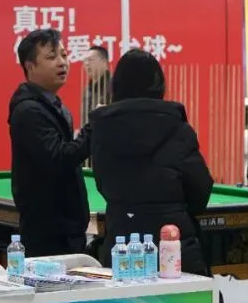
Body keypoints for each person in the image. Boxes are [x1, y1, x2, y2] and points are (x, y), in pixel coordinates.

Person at [90, 48, 212, 262]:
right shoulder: (179, 129)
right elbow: (200, 188)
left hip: (122, 247)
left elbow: (103, 184)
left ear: (116, 86)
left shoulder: (102, 130)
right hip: (173, 248)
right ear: (160, 85)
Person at [9, 29, 90, 257]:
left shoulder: (53, 105)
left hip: (65, 225)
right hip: (47, 231)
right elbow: (60, 158)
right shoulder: (28, 111)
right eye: (51, 57)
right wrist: (93, 129)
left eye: (64, 55)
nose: (62, 62)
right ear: (30, 66)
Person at [82, 45, 111, 121]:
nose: (86, 63)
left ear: (104, 62)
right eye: (85, 60)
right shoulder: (87, 89)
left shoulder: (114, 85)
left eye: (90, 60)